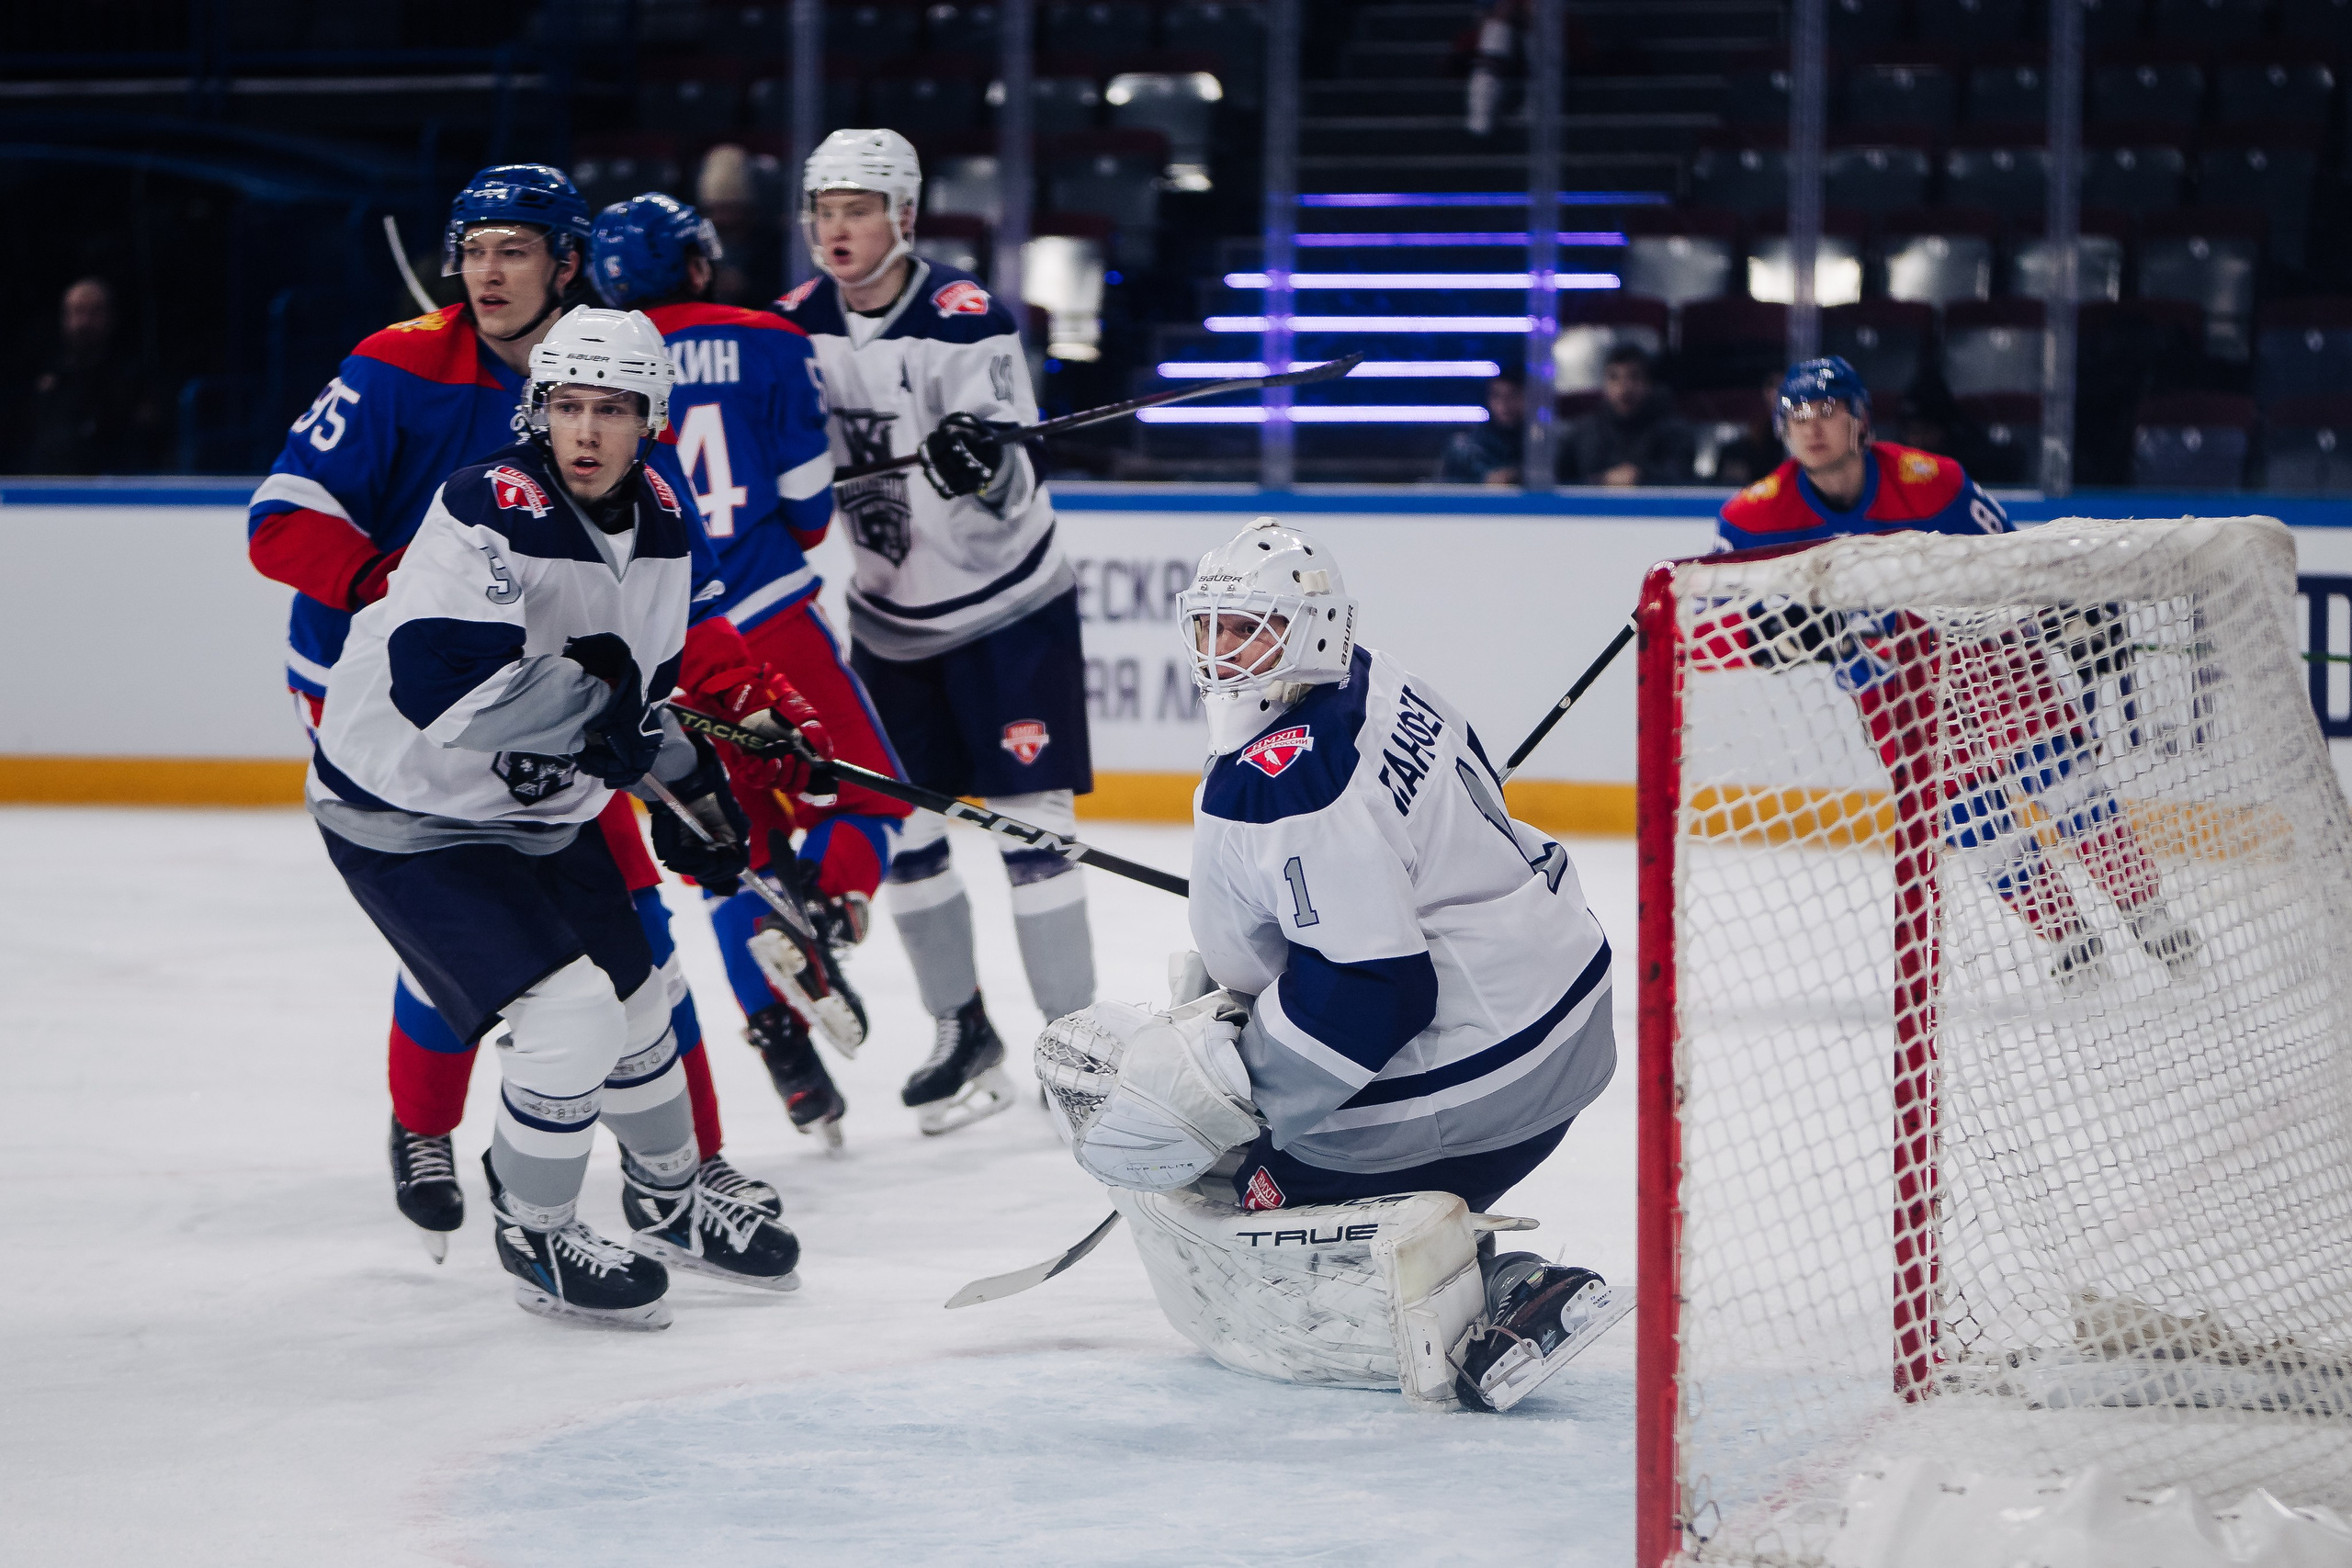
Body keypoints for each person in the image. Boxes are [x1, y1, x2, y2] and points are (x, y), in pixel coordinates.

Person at [247, 164, 773, 1258]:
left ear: (567, 264)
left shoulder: (609, 377)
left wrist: (739, 702)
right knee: (476, 933)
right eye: (474, 249)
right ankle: (429, 1127)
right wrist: (407, 591)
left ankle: (682, 1174)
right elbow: (279, 525)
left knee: (635, 946)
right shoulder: (398, 366)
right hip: (395, 701)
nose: (488, 272)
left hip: (563, 708)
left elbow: (664, 586)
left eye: (515, 250)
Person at [1035, 516, 1631, 1413]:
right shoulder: (1374, 672)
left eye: (1249, 628)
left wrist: (1230, 1089)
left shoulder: (1285, 781)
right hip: (1561, 1005)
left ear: (1311, 629)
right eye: (1211, 625)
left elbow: (1378, 990)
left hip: (1499, 1068)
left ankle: (1502, 1293)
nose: (1221, 649)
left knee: (1250, 1189)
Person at [309, 307, 802, 1326]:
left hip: (536, 812)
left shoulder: (664, 517)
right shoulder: (484, 503)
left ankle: (668, 1202)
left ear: (650, 421)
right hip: (408, 810)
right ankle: (534, 1230)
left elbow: (641, 691)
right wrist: (600, 726)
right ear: (539, 411)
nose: (585, 430)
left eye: (611, 410)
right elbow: (443, 686)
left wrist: (693, 789)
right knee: (568, 1015)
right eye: (567, 406)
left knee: (641, 1000)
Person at [775, 128, 1098, 1134]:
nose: (837, 229)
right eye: (823, 210)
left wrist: (985, 466)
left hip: (1008, 611)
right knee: (906, 830)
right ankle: (962, 1030)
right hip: (888, 623)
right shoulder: (788, 329)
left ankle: (1074, 1044)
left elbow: (1015, 484)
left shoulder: (966, 319)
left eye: (858, 209)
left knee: (1033, 833)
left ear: (903, 217)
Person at [592, 189, 917, 1147]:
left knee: (728, 851)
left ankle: (786, 1056)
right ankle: (823, 902)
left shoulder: (584, 369)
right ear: (697, 262)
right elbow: (811, 514)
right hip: (764, 622)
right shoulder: (768, 338)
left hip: (661, 641)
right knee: (876, 796)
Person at [1713, 355, 2197, 985]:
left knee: (2065, 786)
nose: (1813, 428)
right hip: (1888, 685)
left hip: (1988, 655)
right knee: (1975, 823)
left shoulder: (1931, 481)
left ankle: (2148, 911)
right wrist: (1773, 635)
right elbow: (1711, 625)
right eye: (1798, 416)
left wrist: (2069, 614)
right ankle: (2069, 938)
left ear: (1861, 420)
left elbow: (2016, 562)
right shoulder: (1754, 516)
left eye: (1828, 412)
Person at [19, 278, 163, 474]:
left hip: (113, 487)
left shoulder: (133, 376)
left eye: (94, 312)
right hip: (48, 486)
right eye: (78, 311)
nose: (84, 322)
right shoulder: (42, 373)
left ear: (110, 317)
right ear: (64, 317)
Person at [1558, 344, 1694, 486]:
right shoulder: (1582, 434)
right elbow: (1559, 480)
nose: (1624, 388)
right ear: (1605, 385)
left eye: (1634, 377)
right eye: (1614, 378)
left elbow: (1681, 477)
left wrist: (1642, 477)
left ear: (1649, 384)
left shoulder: (1675, 433)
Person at [1432, 369, 1526, 485]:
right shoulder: (1463, 449)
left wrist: (1516, 475)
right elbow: (1445, 494)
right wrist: (1485, 481)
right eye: (1497, 395)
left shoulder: (1544, 447)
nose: (1504, 404)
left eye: (1513, 395)